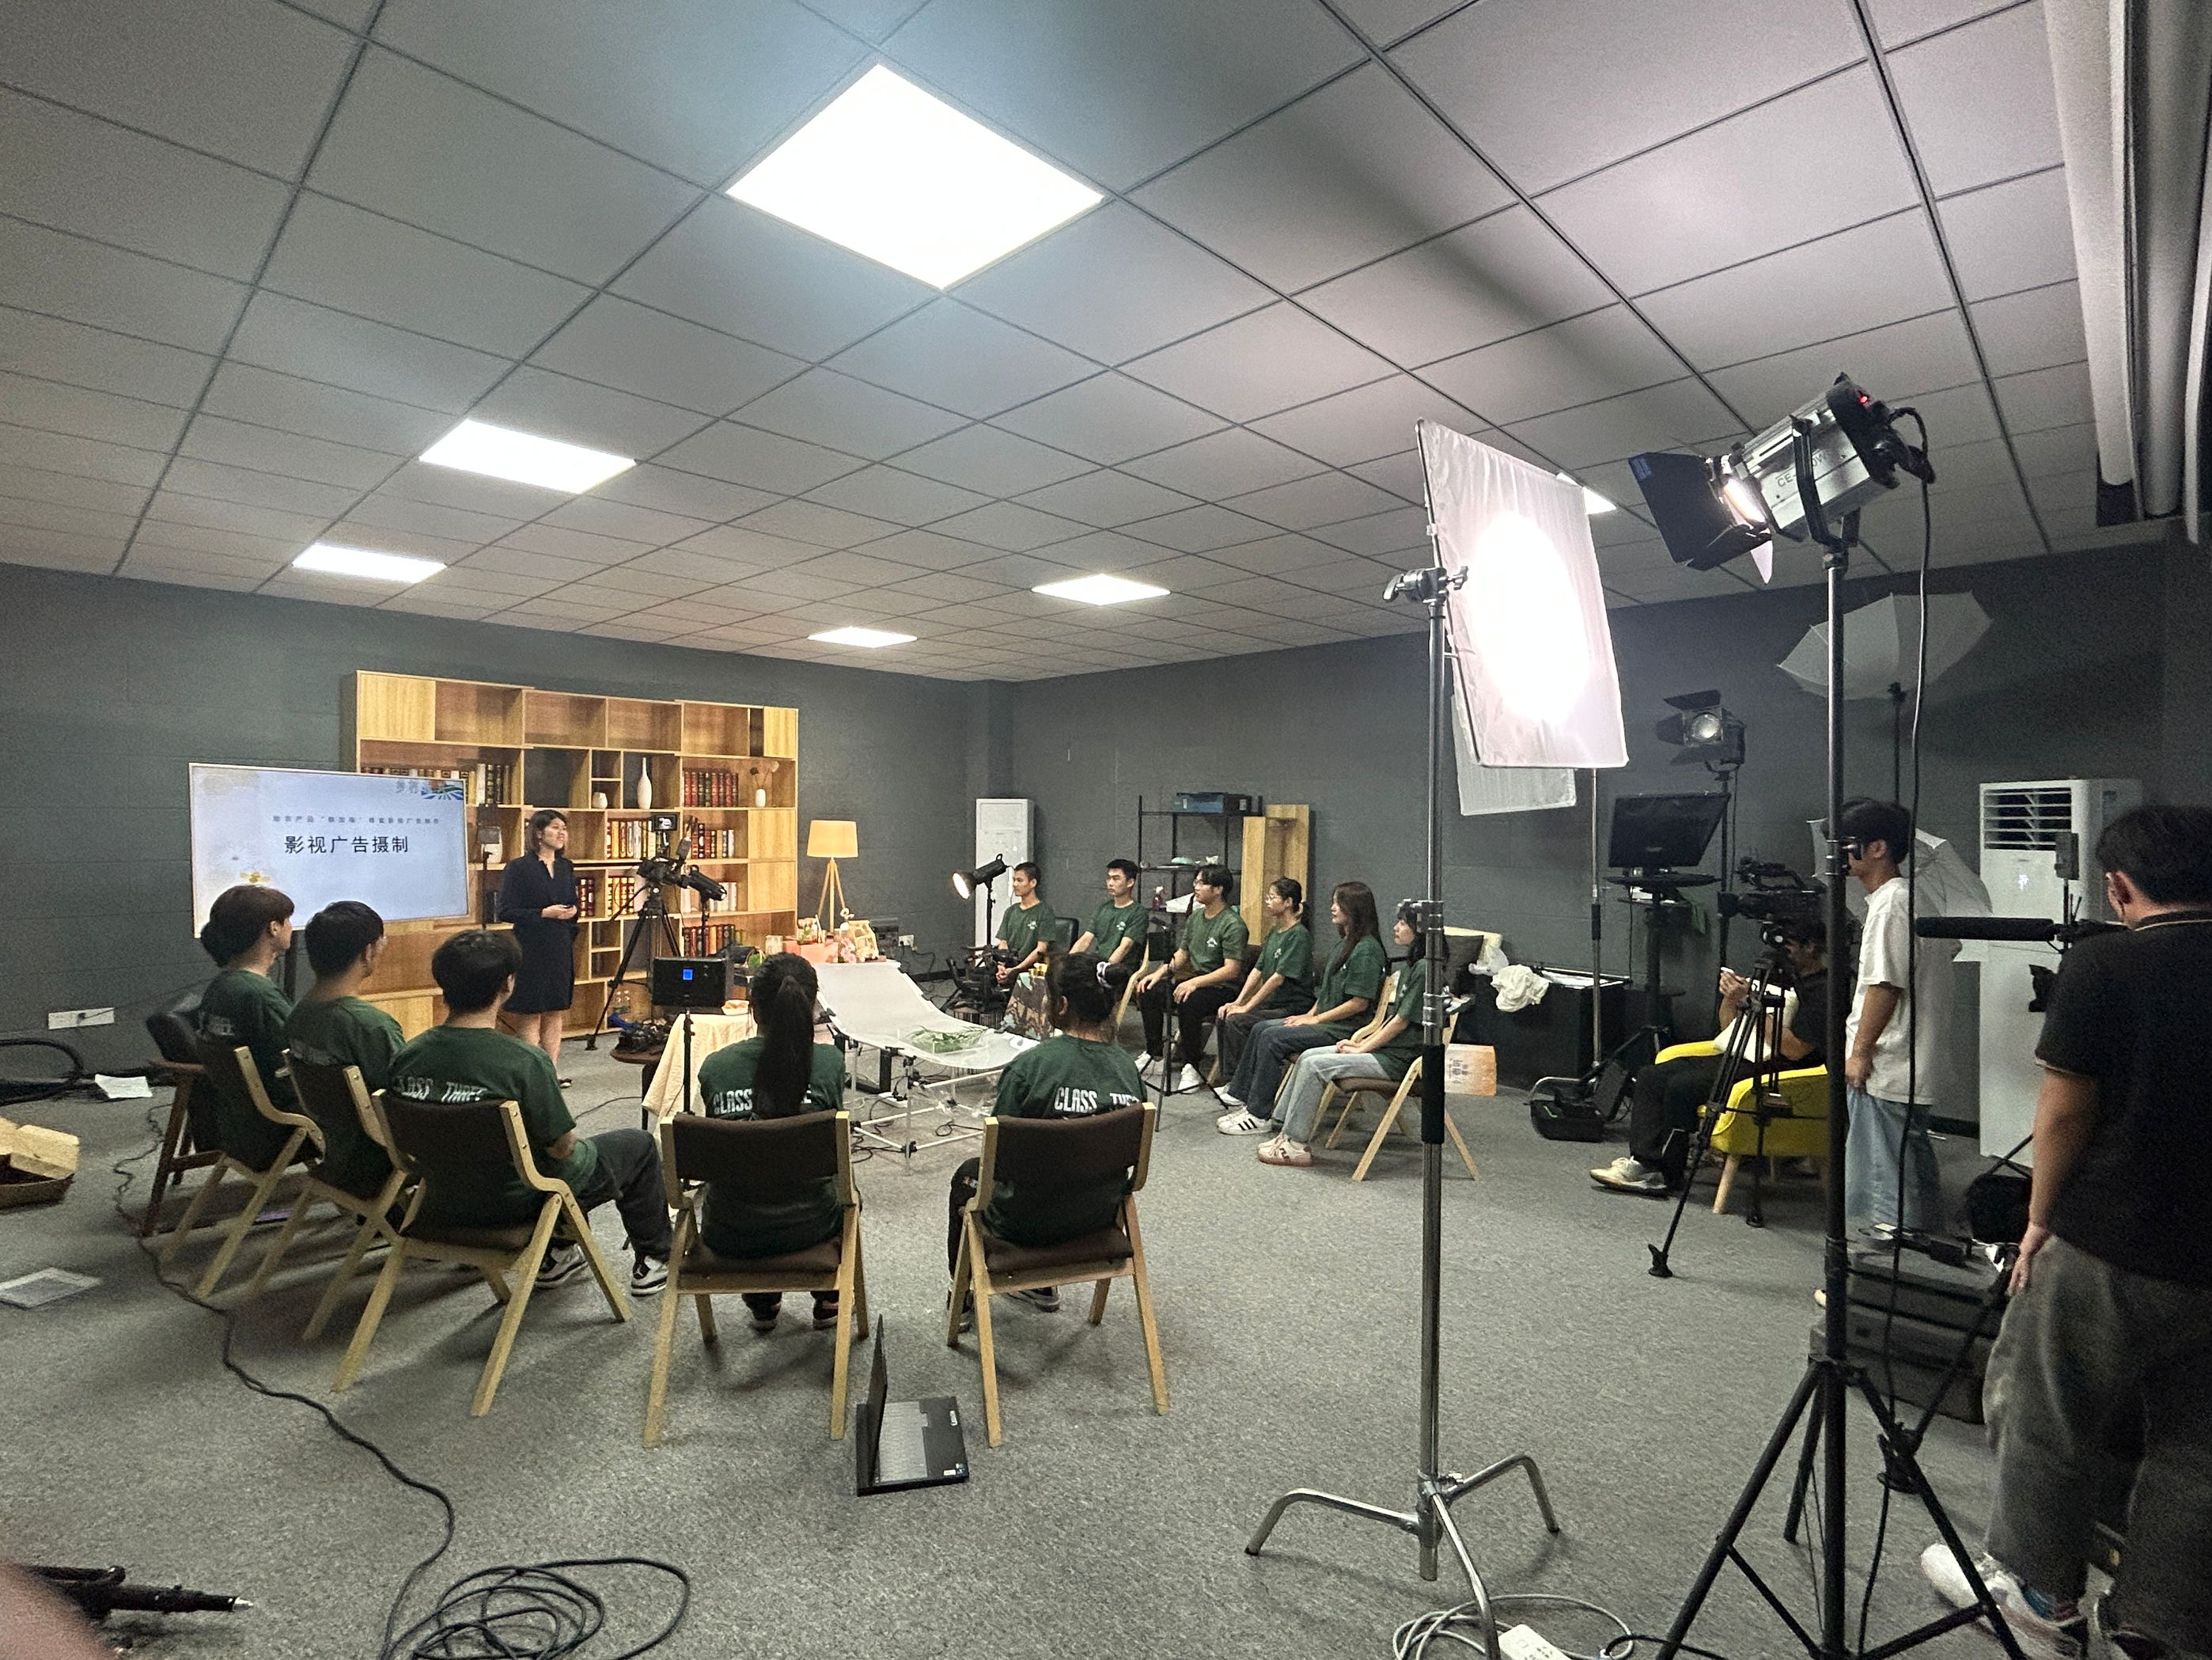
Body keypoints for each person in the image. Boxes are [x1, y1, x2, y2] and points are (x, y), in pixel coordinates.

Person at [1918, 805, 2212, 1660]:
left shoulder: (2106, 962)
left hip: (2110, 1238)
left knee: (2044, 1411)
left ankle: (2037, 1597)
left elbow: (2065, 1110)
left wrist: (2038, 1220)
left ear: (2118, 887)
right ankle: (2161, 1625)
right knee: (2198, 1446)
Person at [386, 930, 672, 1295]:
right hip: (518, 1201)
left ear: (443, 984)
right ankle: (655, 1259)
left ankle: (559, 1252)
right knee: (636, 1145)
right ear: (508, 985)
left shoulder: (407, 1056)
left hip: (442, 1197)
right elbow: (562, 1148)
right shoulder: (524, 1061)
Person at [947, 951, 1143, 1327]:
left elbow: (996, 1157)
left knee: (967, 1176)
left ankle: (963, 1294)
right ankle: (1040, 1287)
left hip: (1023, 1224)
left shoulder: (1030, 1068)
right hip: (1098, 1219)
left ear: (1062, 1005)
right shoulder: (1128, 1070)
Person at [1591, 921, 1828, 1196]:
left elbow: (1795, 1050)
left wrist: (1752, 1005)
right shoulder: (1777, 976)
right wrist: (1732, 999)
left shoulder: (1821, 991)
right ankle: (1643, 1162)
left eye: (1788, 945)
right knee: (1651, 1076)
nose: (1781, 951)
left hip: (1780, 1070)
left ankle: (1666, 1172)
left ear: (1811, 947)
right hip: (1740, 1054)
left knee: (1682, 1087)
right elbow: (1728, 1027)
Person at [694, 953, 850, 1334]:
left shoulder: (716, 1067)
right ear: (811, 1008)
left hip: (730, 1230)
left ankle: (762, 1300)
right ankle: (828, 1296)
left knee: (753, 1170)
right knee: (839, 1182)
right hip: (811, 1226)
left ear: (753, 1007)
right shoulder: (829, 1063)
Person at [1839, 798, 1949, 1235]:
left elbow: (1885, 985)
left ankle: (1890, 1250)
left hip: (1889, 1059)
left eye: (1847, 843)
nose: (1840, 854)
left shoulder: (1892, 905)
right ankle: (1920, 1239)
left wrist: (1860, 1052)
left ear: (1878, 848)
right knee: (1909, 1157)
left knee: (1885, 1170)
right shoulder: (1914, 899)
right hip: (1911, 1055)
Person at [1255, 900, 1426, 1168]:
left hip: (1399, 1060)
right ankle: (1284, 1130)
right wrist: (1361, 1043)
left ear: (1420, 930)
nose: (1396, 927)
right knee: (1308, 1056)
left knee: (1315, 1066)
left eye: (1403, 923)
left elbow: (1400, 1022)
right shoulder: (1410, 967)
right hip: (1385, 1051)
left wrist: (1363, 1048)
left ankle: (1296, 1145)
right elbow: (1391, 1019)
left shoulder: (1426, 970)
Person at [1215, 881, 1385, 1131]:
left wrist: (1316, 1020)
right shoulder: (1344, 944)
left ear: (1355, 908)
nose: (1333, 908)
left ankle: (1259, 1115)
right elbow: (1326, 993)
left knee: (1272, 1037)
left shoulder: (1367, 950)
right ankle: (1243, 1096)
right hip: (1325, 1021)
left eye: (1338, 903)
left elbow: (1358, 1004)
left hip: (1343, 1029)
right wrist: (1309, 1015)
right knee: (1261, 1028)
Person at [284, 900, 403, 1200]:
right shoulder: (370, 1026)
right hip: (382, 1155)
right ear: (368, 952)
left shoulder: (298, 1015)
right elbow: (406, 1098)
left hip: (340, 1152)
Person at [193, 884, 301, 1169]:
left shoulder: (220, 987)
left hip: (238, 1127)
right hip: (277, 1128)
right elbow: (302, 1060)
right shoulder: (259, 996)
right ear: (273, 928)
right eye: (288, 920)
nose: (292, 927)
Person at [1131, 865, 1248, 1092]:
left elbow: (1231, 970)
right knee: (1149, 990)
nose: (1196, 887)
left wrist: (1194, 983)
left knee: (1189, 1000)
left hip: (1222, 987)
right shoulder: (1196, 917)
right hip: (1193, 980)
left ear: (1218, 889)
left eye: (1201, 883)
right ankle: (1155, 1055)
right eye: (1196, 882)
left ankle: (1191, 1065)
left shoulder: (1233, 924)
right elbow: (1183, 953)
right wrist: (1157, 974)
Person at [495, 808, 580, 1078]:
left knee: (555, 1011)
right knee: (531, 1012)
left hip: (560, 946)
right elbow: (505, 911)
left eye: (564, 828)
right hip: (531, 947)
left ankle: (551, 1073)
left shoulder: (566, 867)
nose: (562, 833)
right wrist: (543, 913)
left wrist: (572, 911)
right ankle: (530, 1075)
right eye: (555, 827)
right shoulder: (519, 868)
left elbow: (573, 901)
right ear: (539, 833)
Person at [1215, 877, 1315, 1083]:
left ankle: (1241, 1082)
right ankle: (1230, 1079)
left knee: (1238, 1021)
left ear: (1288, 902)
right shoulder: (1275, 932)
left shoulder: (1299, 936)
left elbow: (1277, 978)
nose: (1267, 902)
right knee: (1226, 1014)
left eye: (1272, 897)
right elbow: (1257, 970)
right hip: (1273, 1003)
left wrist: (1247, 1007)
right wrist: (1238, 1002)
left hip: (1291, 1006)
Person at [1070, 858, 1146, 968]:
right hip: (1098, 963)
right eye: (1109, 878)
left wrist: (1104, 970)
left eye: (1116, 879)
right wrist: (1067, 963)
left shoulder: (1138, 913)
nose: (1110, 883)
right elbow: (1085, 940)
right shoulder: (1103, 908)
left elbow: (1125, 947)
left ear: (1130, 882)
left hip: (1120, 969)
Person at [993, 861, 1055, 984]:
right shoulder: (1010, 911)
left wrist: (1016, 969)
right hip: (1009, 963)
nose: (1015, 884)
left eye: (1020, 880)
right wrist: (1001, 966)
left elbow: (1041, 948)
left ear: (1033, 883)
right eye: (1014, 880)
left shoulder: (1044, 911)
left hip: (1029, 967)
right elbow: (1003, 943)